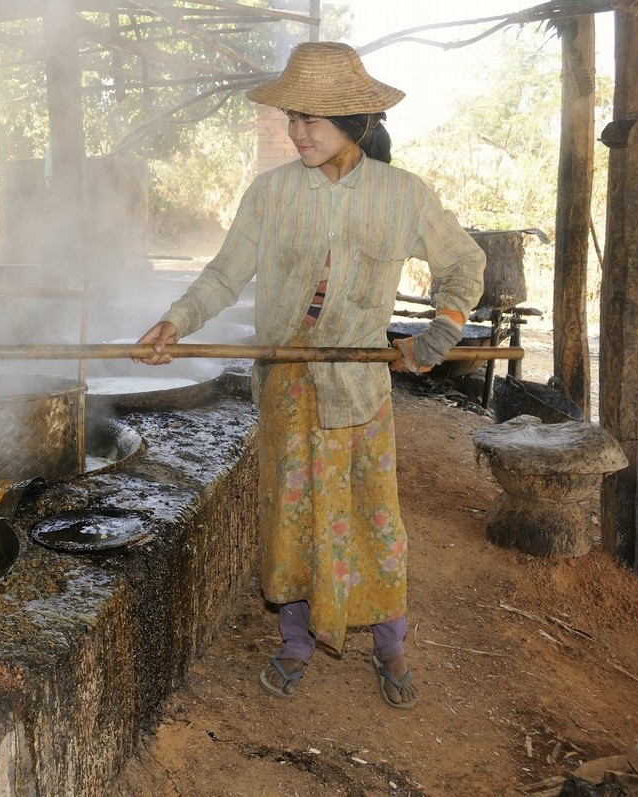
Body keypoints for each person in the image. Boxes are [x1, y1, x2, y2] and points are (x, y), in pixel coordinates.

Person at [135, 42, 485, 709]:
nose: (297, 131)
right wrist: (176, 322)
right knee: (289, 514)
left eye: (313, 119)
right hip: (287, 380)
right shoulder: (270, 194)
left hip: (358, 382)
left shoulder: (402, 195)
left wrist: (441, 329)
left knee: (371, 511)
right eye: (293, 116)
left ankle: (390, 639)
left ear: (358, 121)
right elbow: (224, 274)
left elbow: (464, 263)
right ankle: (295, 640)